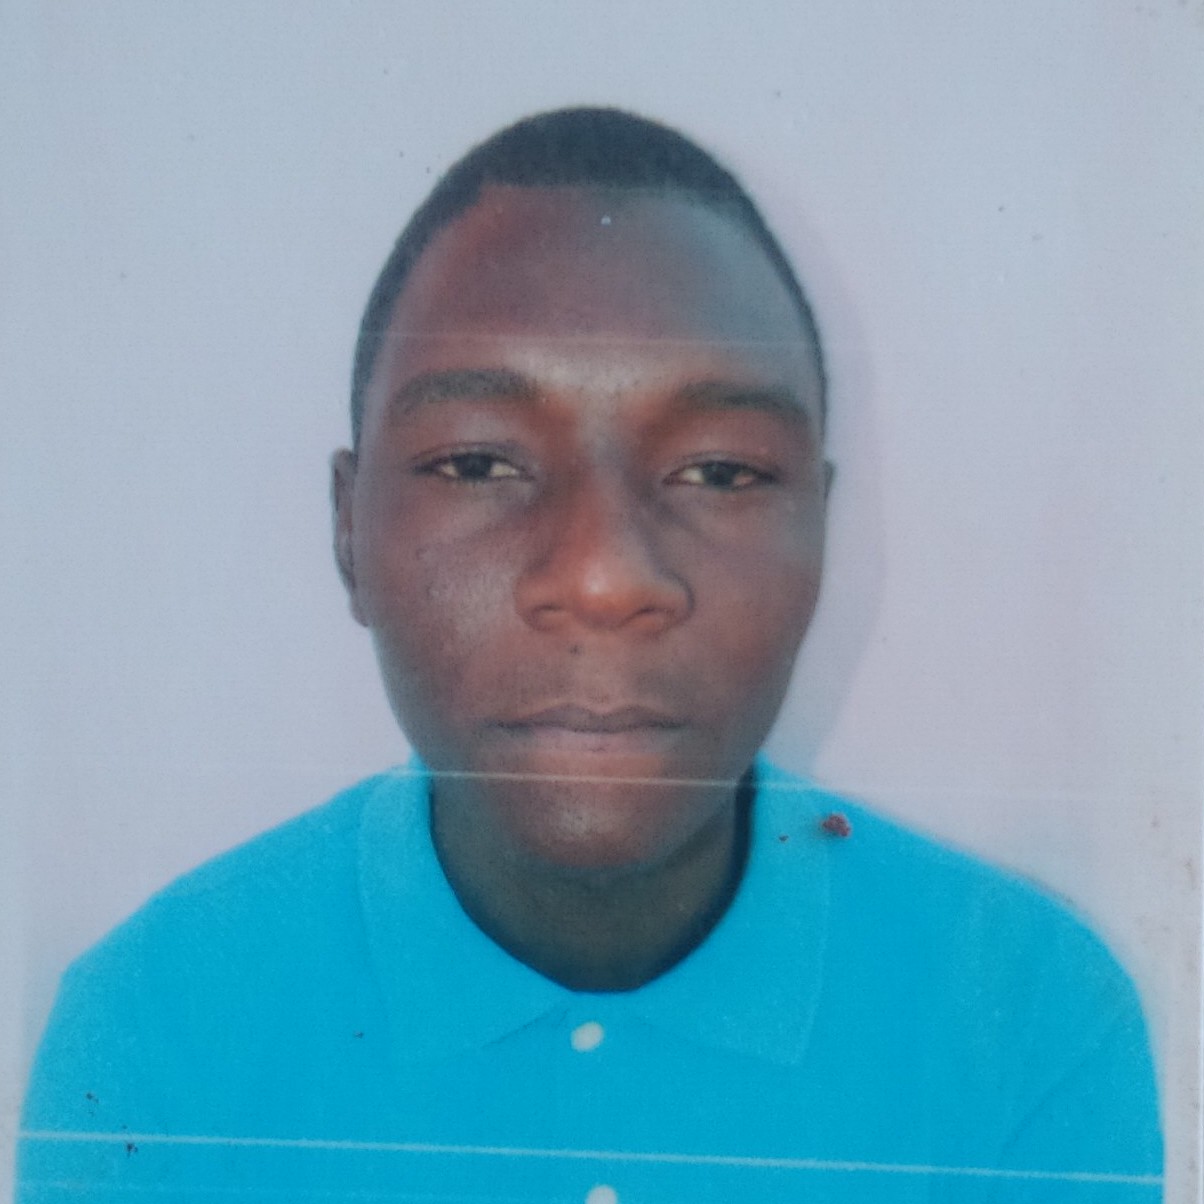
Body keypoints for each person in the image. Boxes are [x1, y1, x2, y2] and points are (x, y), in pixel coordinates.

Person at [18, 108, 1161, 1203]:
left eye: (720, 470)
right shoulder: (159, 1032)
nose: (605, 577)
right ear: (348, 532)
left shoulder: (1026, 1018)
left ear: (819, 532)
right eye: (478, 464)